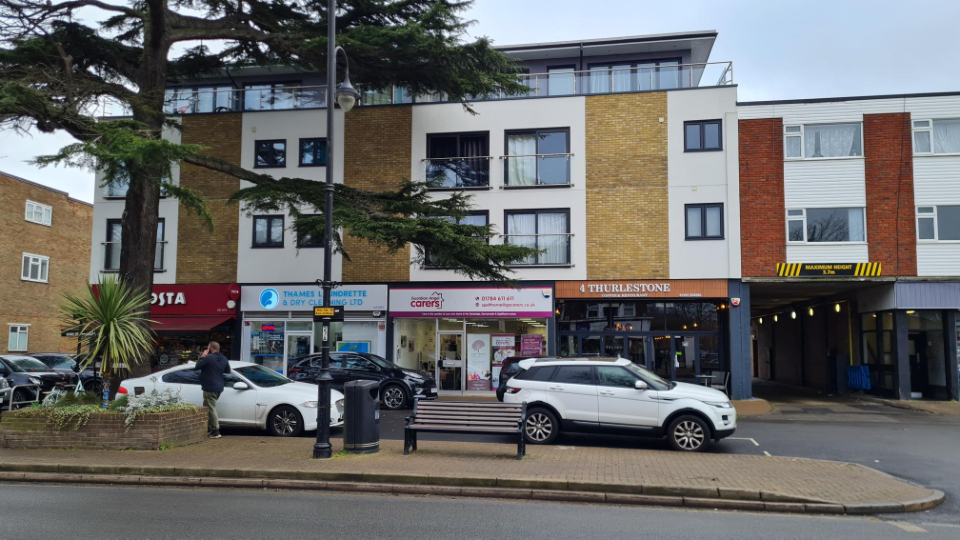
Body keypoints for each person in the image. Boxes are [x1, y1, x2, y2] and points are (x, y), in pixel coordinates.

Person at [194, 341, 231, 439]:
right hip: (219, 387)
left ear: (210, 349)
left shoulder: (208, 358)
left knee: (211, 408)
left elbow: (197, 366)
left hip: (210, 387)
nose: (207, 349)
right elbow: (228, 371)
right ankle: (209, 428)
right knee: (208, 408)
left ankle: (215, 431)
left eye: (208, 348)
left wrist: (203, 356)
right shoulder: (224, 358)